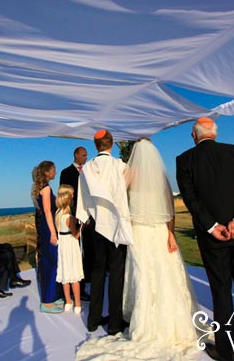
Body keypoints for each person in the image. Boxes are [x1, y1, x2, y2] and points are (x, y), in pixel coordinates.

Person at [76, 138, 199, 360]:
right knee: (164, 273)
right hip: (159, 230)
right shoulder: (160, 177)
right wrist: (171, 233)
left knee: (143, 275)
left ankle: (143, 322)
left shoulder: (128, 175)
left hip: (139, 232)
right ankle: (168, 320)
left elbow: (118, 201)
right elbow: (169, 208)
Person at [175, 117, 234, 361]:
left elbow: (190, 199)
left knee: (221, 293)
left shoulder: (184, 160)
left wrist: (212, 226)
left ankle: (228, 352)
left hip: (212, 239)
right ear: (215, 132)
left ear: (194, 135)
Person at [76, 129, 132, 335]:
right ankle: (115, 323)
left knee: (98, 272)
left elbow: (83, 197)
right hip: (117, 224)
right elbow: (128, 190)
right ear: (111, 144)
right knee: (116, 274)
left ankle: (93, 320)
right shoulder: (120, 165)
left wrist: (82, 218)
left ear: (95, 145)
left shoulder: (87, 168)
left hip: (96, 225)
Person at [59, 146, 93, 302]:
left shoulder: (89, 171)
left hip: (90, 215)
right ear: (76, 155)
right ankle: (79, 286)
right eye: (83, 155)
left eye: (87, 155)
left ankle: (89, 277)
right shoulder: (66, 173)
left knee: (90, 248)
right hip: (73, 216)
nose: (86, 157)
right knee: (77, 252)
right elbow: (64, 195)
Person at [32, 161, 64, 313]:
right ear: (46, 172)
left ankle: (54, 295)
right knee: (51, 262)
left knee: (51, 261)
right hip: (48, 226)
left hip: (47, 225)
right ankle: (47, 301)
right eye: (53, 170)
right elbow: (47, 211)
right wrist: (53, 232)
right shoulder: (46, 189)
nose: (55, 172)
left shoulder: (42, 188)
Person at [55, 184, 84, 314]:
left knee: (65, 274)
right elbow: (76, 235)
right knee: (74, 276)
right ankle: (77, 303)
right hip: (71, 246)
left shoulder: (57, 214)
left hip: (62, 245)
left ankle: (68, 301)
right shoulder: (69, 218)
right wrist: (82, 227)